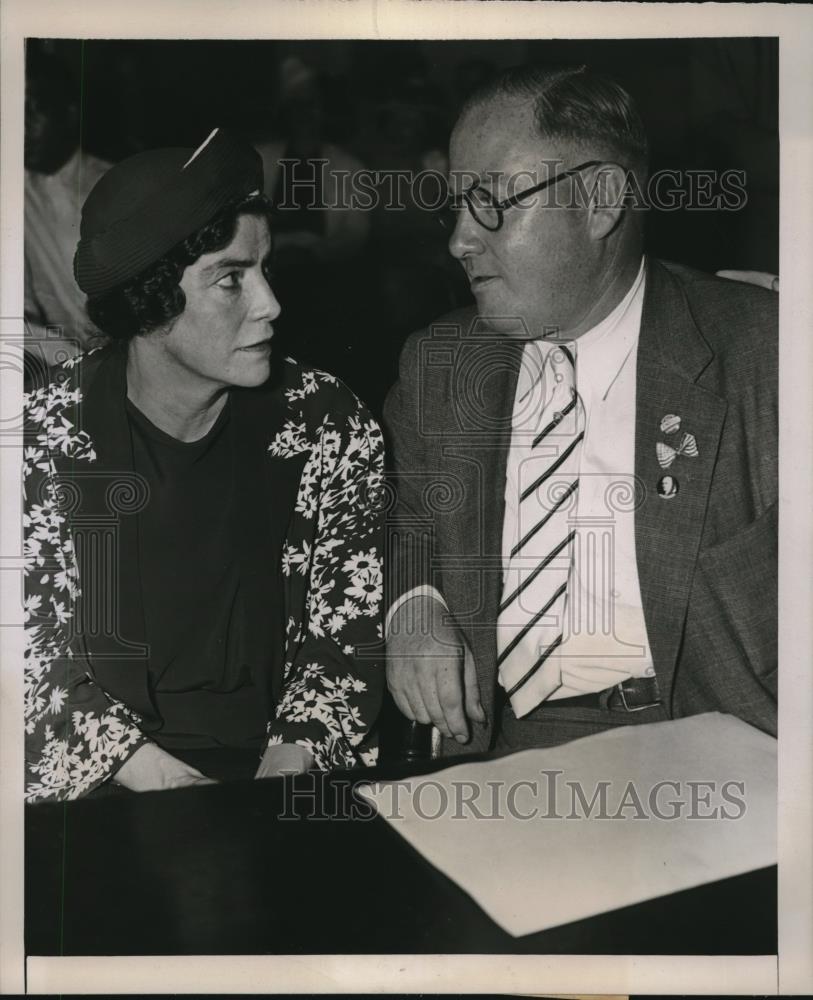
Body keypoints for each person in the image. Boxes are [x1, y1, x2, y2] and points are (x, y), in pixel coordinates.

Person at [383, 65, 777, 757]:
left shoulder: (763, 353)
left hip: (711, 740)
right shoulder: (439, 363)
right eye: (454, 205)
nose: (459, 241)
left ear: (600, 201)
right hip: (497, 747)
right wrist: (416, 606)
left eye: (494, 202)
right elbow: (402, 510)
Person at [24, 128, 384, 802]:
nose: (271, 305)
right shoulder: (42, 439)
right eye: (230, 280)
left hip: (282, 775)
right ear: (149, 298)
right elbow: (30, 665)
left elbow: (347, 633)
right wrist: (170, 788)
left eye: (265, 268)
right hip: (108, 792)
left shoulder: (327, 422)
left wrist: (282, 769)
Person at [24, 46, 111, 373]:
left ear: (70, 114)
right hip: (67, 369)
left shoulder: (113, 185)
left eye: (35, 108)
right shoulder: (14, 194)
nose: (22, 124)